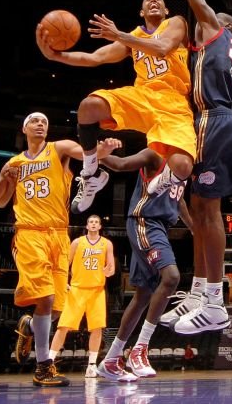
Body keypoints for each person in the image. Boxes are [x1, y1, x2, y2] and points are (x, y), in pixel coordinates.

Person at [142, 0, 232, 335]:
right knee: (203, 211)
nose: (197, 18)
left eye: (205, 16)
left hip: (217, 122)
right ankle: (201, 290)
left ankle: (213, 301)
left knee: (209, 212)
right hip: (215, 123)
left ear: (218, 24)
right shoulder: (223, 52)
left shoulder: (215, 29)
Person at [36, 0, 197, 217]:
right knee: (89, 106)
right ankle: (91, 172)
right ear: (141, 12)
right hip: (142, 96)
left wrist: (119, 35)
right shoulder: (133, 36)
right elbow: (94, 58)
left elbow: (162, 47)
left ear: (166, 10)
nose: (153, 0)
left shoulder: (176, 23)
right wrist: (56, 56)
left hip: (174, 103)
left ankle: (163, 180)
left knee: (182, 167)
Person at [0, 112, 118, 387]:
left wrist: (101, 150)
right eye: (35, 121)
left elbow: (84, 152)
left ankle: (27, 326)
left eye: (45, 122)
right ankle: (43, 367)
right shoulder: (14, 163)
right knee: (46, 297)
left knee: (56, 308)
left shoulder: (58, 148)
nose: (41, 124)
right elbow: (0, 202)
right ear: (24, 127)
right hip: (29, 233)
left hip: (59, 234)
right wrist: (5, 180)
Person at [94, 142, 193, 381]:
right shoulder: (154, 155)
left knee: (143, 296)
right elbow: (121, 164)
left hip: (159, 226)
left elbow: (178, 201)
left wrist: (194, 228)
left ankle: (110, 360)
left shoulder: (182, 163)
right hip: (144, 221)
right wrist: (101, 156)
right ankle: (140, 349)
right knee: (171, 277)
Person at [49, 214, 116, 378]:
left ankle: (92, 365)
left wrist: (109, 271)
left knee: (97, 328)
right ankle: (48, 362)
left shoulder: (107, 244)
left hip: (97, 290)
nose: (93, 224)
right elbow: (66, 264)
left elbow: (112, 268)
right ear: (87, 226)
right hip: (77, 289)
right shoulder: (77, 242)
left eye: (96, 222)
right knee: (63, 326)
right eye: (91, 222)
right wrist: (63, 281)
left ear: (100, 226)